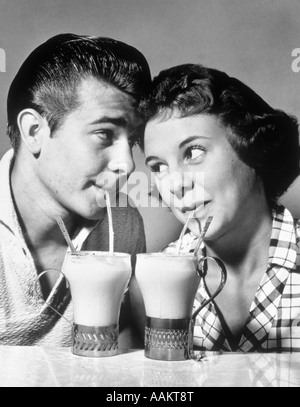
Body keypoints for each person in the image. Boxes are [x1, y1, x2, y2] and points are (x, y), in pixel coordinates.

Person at [0, 33, 151, 347]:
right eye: (103, 134)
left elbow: (123, 355)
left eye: (132, 140)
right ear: (34, 131)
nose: (128, 165)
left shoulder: (122, 224)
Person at [137, 63, 300, 352]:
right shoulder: (153, 281)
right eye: (158, 167)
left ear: (253, 147)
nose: (174, 184)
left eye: (193, 152)